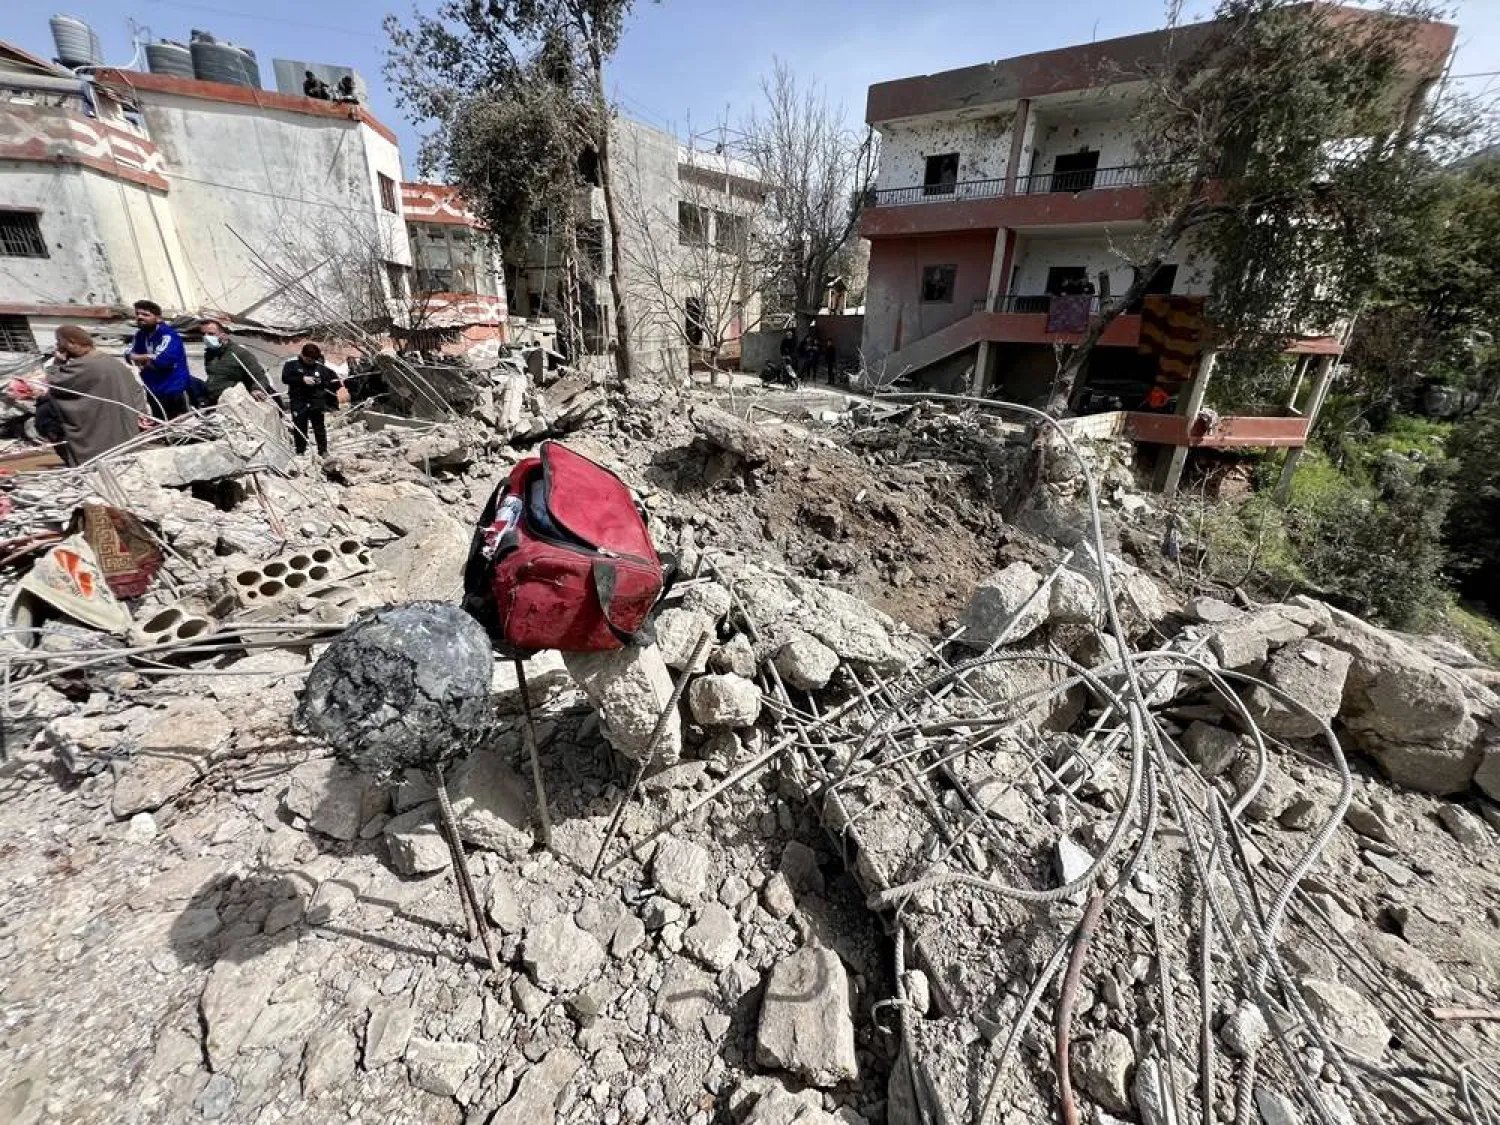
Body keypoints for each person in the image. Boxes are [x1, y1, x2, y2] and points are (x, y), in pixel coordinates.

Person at [42, 327, 148, 465]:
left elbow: (56, 384)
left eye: (59, 342)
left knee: (44, 414)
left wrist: (58, 363)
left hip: (99, 434)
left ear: (72, 343)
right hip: (123, 429)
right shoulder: (110, 360)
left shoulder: (85, 365)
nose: (58, 347)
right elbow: (136, 390)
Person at [127, 300, 194, 420]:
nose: (140, 317)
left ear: (158, 319)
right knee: (157, 425)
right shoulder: (140, 335)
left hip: (173, 389)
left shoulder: (168, 335)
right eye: (137, 314)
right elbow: (128, 355)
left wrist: (142, 358)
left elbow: (162, 360)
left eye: (145, 315)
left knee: (181, 426)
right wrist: (146, 357)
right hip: (152, 390)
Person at [282, 343, 342, 457]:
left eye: (313, 360)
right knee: (300, 426)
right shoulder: (292, 364)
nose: (311, 362)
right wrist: (302, 379)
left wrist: (321, 383)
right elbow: (285, 378)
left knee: (319, 426)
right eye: (309, 360)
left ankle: (323, 451)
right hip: (299, 400)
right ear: (303, 355)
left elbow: (332, 381)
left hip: (316, 400)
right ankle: (300, 451)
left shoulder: (320, 367)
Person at [200, 320, 271, 405]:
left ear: (224, 335)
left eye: (211, 334)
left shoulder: (239, 353)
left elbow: (260, 377)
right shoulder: (209, 354)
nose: (206, 337)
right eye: (203, 334)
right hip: (217, 403)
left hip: (238, 403)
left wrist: (257, 389)